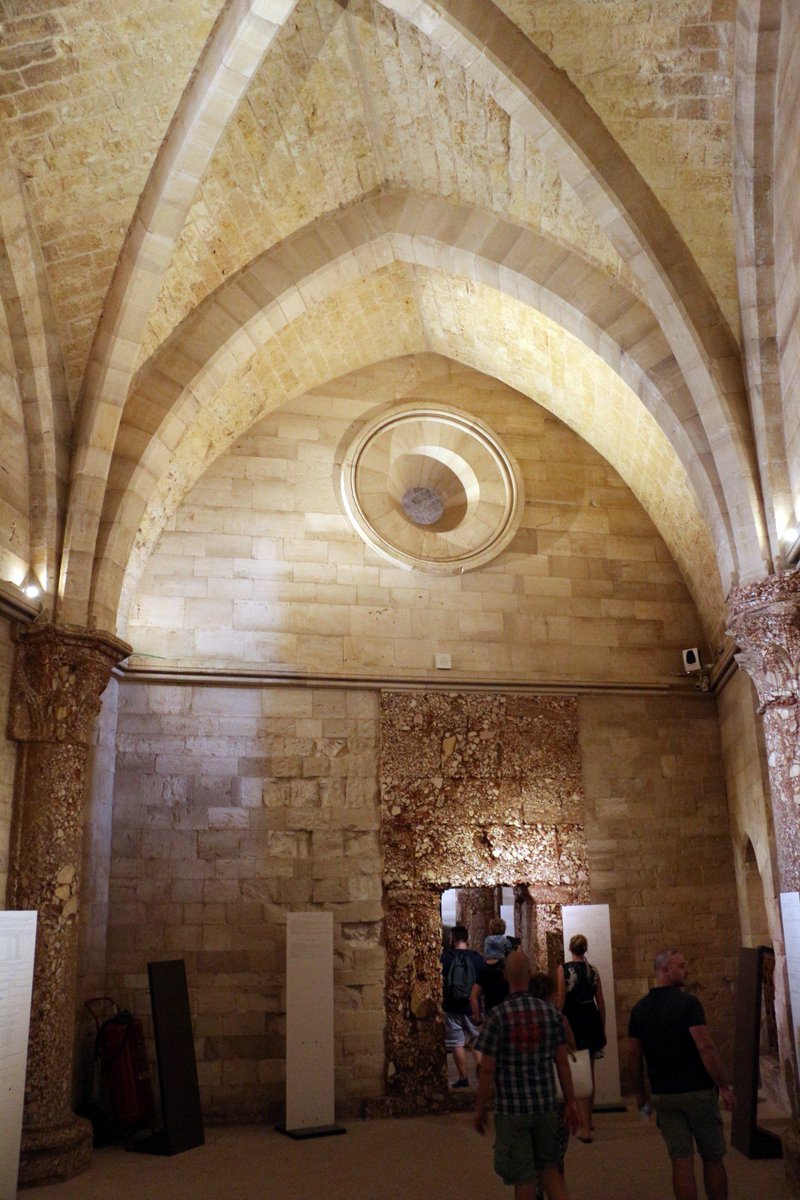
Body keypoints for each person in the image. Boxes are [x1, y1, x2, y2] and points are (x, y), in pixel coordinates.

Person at [628, 948, 736, 1200]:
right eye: (682, 966)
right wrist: (723, 1086)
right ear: (666, 970)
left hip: (664, 1094)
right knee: (712, 1157)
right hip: (697, 1090)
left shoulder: (639, 1009)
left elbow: (633, 1056)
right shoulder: (688, 1003)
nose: (687, 970)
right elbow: (705, 1046)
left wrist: (641, 1093)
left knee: (681, 1160)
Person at [474, 950, 579, 1200]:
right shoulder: (551, 1014)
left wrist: (480, 1107)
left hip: (512, 1109)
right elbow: (562, 1063)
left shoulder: (497, 1016)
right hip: (545, 1106)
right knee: (550, 1170)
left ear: (505, 976)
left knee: (523, 1178)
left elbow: (487, 1068)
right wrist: (571, 1102)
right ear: (530, 974)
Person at [528, 973, 577, 1200]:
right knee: (556, 1153)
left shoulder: (525, 1019)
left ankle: (537, 1190)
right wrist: (571, 1101)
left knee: (533, 1151)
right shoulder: (559, 1020)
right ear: (550, 994)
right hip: (556, 1093)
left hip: (533, 1094)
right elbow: (570, 1051)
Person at [556, 933, 606, 1141]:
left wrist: (556, 1020)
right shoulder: (592, 971)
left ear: (570, 948)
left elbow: (561, 1000)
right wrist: (601, 1026)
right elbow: (600, 1001)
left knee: (575, 1071)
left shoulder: (564, 969)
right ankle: (588, 1120)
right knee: (589, 1072)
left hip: (574, 1020)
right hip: (591, 1020)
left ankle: (582, 1125)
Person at [441, 924, 484, 1088]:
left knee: (456, 1043)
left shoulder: (446, 957)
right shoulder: (476, 958)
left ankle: (463, 1078)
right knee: (476, 1041)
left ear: (452, 939)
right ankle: (481, 1077)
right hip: (472, 1008)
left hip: (452, 1007)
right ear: (467, 939)